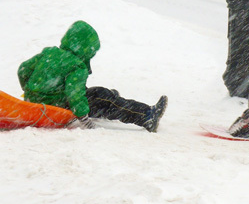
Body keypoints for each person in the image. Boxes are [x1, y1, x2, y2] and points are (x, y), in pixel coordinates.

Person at [17, 20, 167, 132]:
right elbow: (74, 94)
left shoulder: (50, 52)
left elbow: (23, 70)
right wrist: (83, 118)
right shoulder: (77, 65)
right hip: (58, 107)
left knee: (97, 94)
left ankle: (112, 98)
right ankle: (147, 116)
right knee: (103, 98)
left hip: (34, 101)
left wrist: (34, 92)